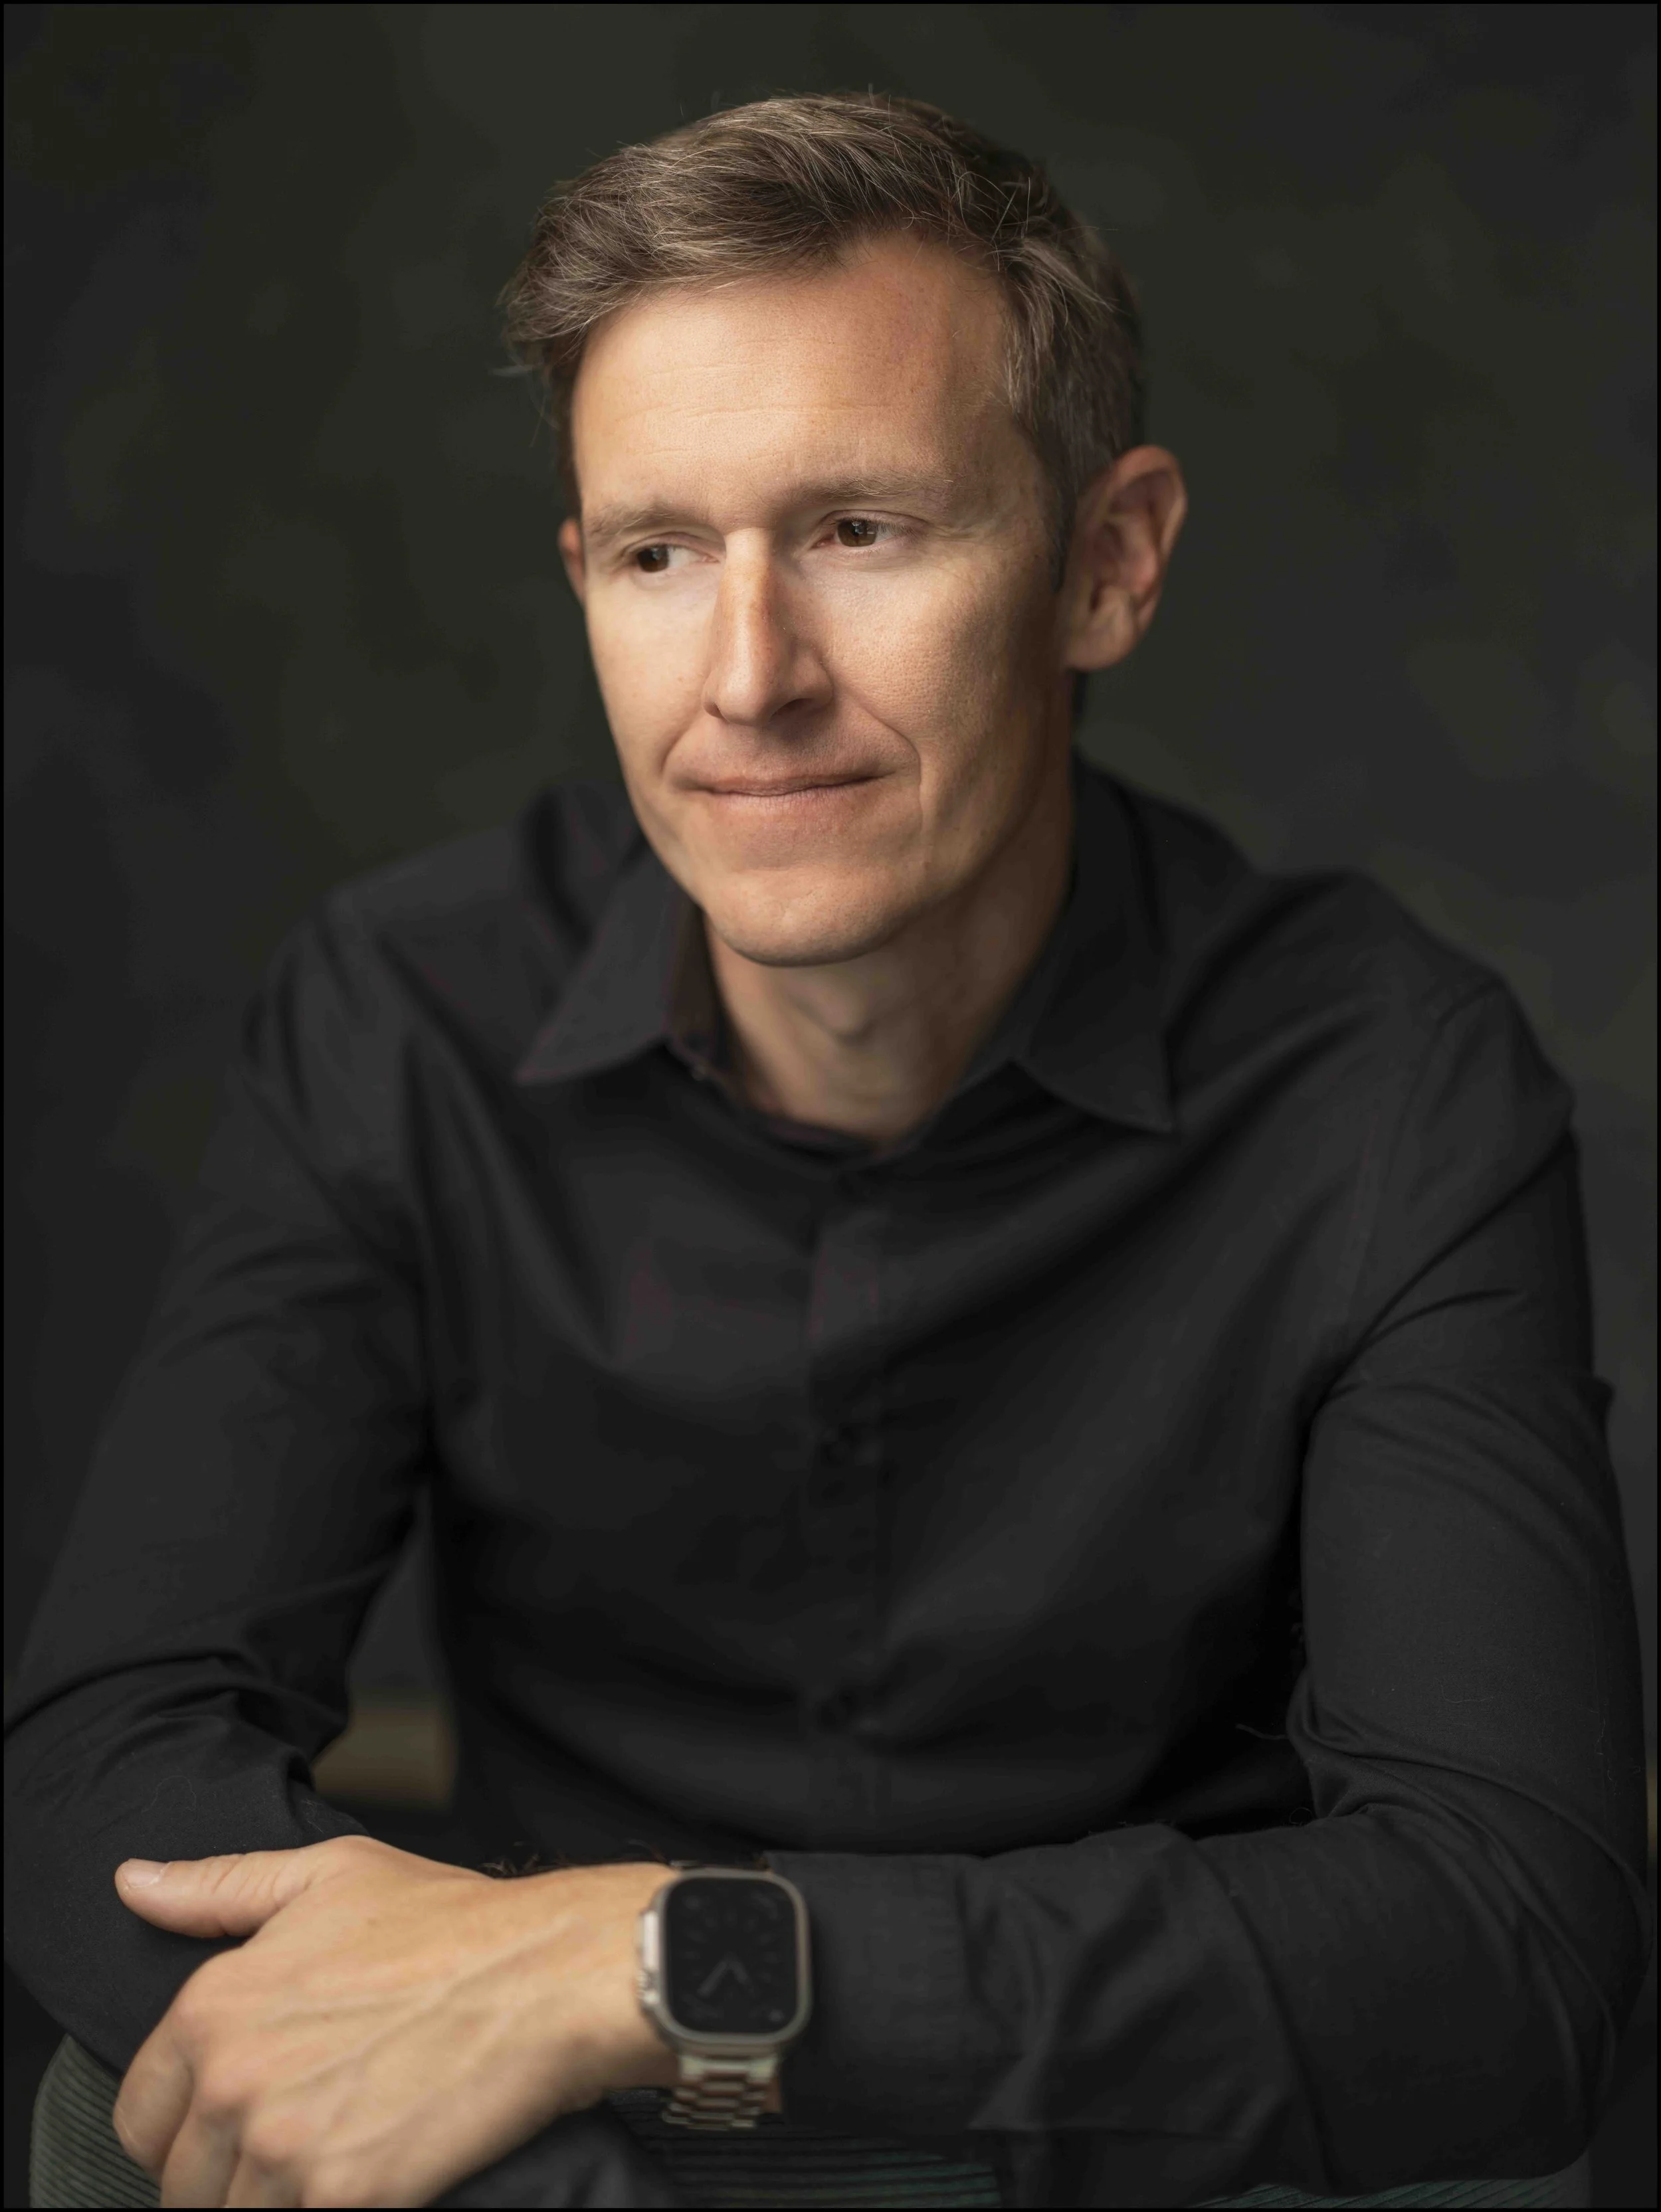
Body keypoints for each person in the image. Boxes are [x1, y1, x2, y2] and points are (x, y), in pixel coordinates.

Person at [5, 91, 1649, 2212]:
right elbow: (100, 1755)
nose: (747, 677)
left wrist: (646, 1967)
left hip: (1135, 2139)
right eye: (657, 552)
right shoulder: (400, 1017)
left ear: (1107, 563)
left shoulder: (1387, 1083)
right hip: (568, 2152)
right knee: (111, 2116)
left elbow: (1510, 1952)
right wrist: (527, 2118)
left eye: (863, 529)